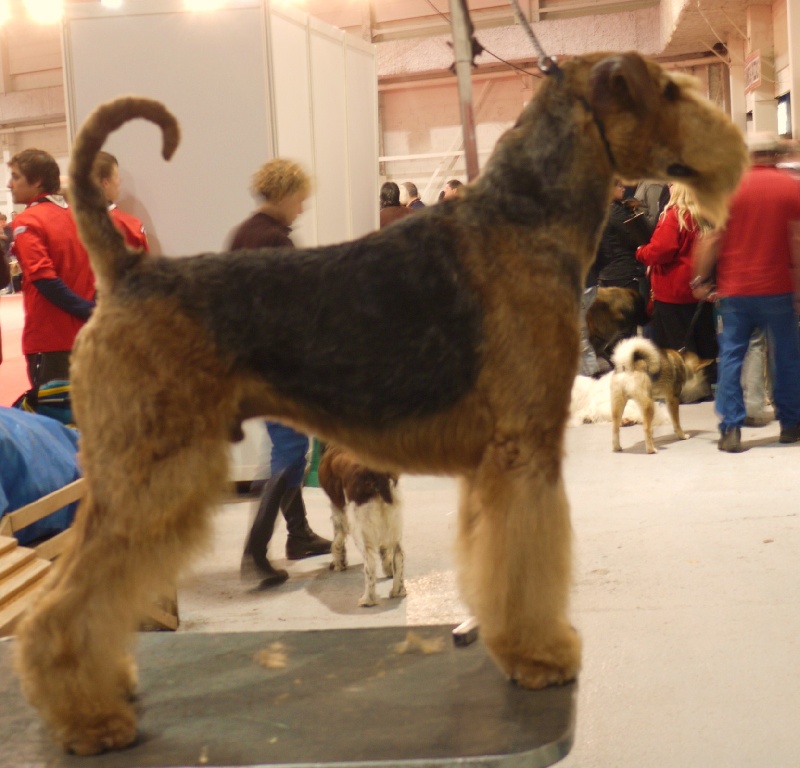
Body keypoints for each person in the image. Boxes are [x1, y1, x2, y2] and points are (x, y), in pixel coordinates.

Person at [230, 157, 331, 586]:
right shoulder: (273, 241)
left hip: (251, 362)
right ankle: (256, 552)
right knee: (291, 452)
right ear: (287, 195)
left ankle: (299, 535)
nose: (302, 209)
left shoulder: (245, 234)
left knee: (285, 449)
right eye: (301, 201)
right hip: (275, 366)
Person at [692, 132, 800, 452]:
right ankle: (791, 425)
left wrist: (699, 280)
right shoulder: (790, 187)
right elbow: (797, 241)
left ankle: (730, 429)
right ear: (774, 156)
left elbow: (711, 239)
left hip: (735, 292)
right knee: (786, 358)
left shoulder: (727, 190)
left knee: (731, 357)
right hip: (778, 289)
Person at [7, 148, 96, 389]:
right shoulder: (78, 217)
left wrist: (87, 309)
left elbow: (44, 279)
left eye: (15, 177)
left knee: (55, 420)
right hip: (87, 337)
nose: (9, 184)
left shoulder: (27, 220)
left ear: (36, 181)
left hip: (50, 338)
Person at [635, 183, 717, 372]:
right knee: (702, 338)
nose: (668, 188)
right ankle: (706, 380)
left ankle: (687, 388)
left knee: (677, 346)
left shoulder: (674, 215)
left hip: (673, 290)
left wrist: (641, 252)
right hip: (698, 287)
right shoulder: (703, 215)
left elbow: (662, 250)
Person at [595, 180, 651, 290]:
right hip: (624, 274)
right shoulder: (616, 212)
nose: (624, 188)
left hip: (606, 273)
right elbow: (638, 238)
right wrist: (635, 214)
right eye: (619, 186)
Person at [91, 151, 149, 252]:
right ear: (105, 183)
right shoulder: (132, 227)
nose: (120, 181)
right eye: (116, 176)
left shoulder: (70, 222)